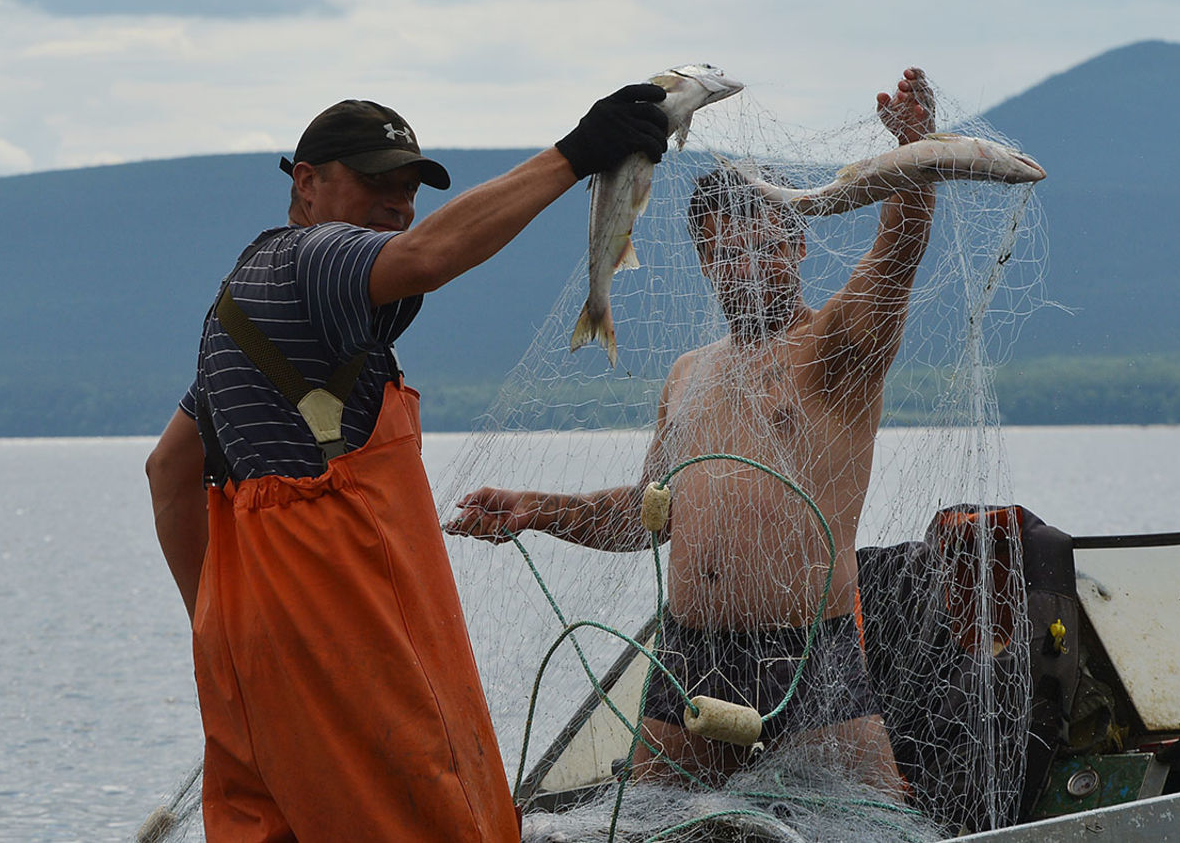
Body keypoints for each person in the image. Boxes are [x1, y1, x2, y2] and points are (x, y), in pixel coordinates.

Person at [144, 87, 670, 841]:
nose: (397, 205)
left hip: (250, 665)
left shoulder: (246, 307)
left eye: (407, 191)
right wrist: (575, 155)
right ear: (306, 185)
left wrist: (221, 627)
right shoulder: (310, 256)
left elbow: (169, 470)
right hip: (345, 648)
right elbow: (426, 257)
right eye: (374, 183)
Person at [445, 68, 936, 795]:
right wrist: (537, 509)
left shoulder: (834, 350)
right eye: (726, 253)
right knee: (647, 822)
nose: (746, 267)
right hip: (689, 657)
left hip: (807, 659)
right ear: (704, 263)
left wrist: (916, 165)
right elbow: (649, 514)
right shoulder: (689, 373)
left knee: (871, 822)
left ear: (798, 248)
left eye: (766, 246)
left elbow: (893, 263)